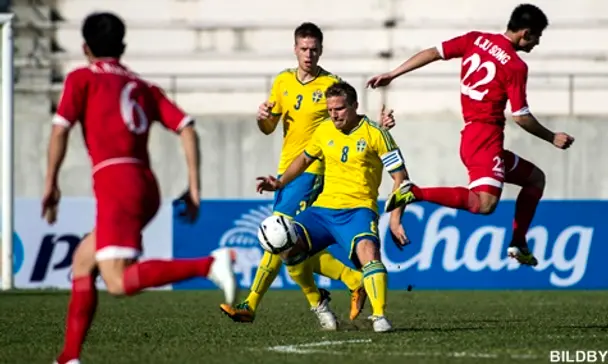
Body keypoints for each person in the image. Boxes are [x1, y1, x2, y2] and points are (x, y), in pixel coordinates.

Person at [44, 12, 237, 364]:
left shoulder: (81, 78)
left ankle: (208, 265)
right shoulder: (142, 86)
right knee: (83, 262)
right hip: (145, 184)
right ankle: (68, 357)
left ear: (85, 48)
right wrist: (194, 188)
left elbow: (60, 130)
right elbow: (187, 127)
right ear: (123, 47)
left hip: (116, 181)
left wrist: (51, 183)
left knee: (116, 282)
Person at [367, 3, 575, 266]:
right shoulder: (515, 66)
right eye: (537, 37)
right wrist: (551, 136)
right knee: (485, 205)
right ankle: (415, 192)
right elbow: (521, 116)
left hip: (474, 137)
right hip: (484, 139)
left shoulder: (475, 39)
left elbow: (433, 52)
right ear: (525, 33)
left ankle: (518, 242)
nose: (537, 44)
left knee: (535, 179)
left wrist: (393, 73)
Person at [220, 22, 395, 324]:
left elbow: (349, 119)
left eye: (314, 49)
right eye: (304, 48)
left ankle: (251, 304)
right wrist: (261, 118)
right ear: (295, 49)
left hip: (315, 171)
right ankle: (350, 281)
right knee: (287, 242)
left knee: (278, 236)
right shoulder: (282, 82)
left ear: (321, 50)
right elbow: (269, 128)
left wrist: (379, 126)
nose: (309, 54)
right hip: (287, 171)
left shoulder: (330, 83)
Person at [256, 81, 409, 332]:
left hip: (358, 210)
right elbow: (305, 158)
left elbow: (401, 178)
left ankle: (379, 317)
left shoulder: (377, 134)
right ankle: (319, 305)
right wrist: (280, 182)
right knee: (285, 243)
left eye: (339, 109)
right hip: (322, 210)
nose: (334, 114)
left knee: (369, 253)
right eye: (330, 109)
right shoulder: (324, 130)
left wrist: (395, 219)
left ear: (355, 106)